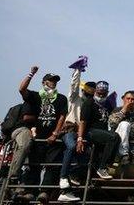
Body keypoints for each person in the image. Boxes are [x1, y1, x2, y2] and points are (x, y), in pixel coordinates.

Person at [20, 67, 68, 202]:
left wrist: (55, 133)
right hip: (38, 136)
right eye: (50, 80)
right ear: (44, 82)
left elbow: (62, 117)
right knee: (34, 164)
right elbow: (22, 89)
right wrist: (31, 74)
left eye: (55, 81)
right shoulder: (36, 96)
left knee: (51, 165)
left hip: (53, 138)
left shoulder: (61, 98)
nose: (53, 82)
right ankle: (30, 191)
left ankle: (45, 191)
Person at [58, 56, 92, 202]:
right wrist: (78, 70)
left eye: (93, 91)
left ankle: (68, 185)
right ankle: (64, 178)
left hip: (82, 133)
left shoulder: (91, 105)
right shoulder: (75, 99)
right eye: (88, 90)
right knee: (71, 147)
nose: (90, 92)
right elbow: (74, 85)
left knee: (88, 158)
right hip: (71, 130)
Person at [77, 81, 121, 180]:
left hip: (102, 132)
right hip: (90, 131)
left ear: (107, 93)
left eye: (103, 93)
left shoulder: (108, 104)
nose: (101, 95)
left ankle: (106, 165)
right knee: (113, 137)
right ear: (95, 91)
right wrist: (80, 138)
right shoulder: (89, 102)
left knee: (116, 136)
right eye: (99, 93)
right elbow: (82, 122)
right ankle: (102, 167)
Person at [109, 91, 134, 164]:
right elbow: (112, 124)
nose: (130, 101)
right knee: (125, 124)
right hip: (119, 139)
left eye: (132, 99)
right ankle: (124, 154)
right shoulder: (117, 109)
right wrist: (124, 110)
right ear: (123, 99)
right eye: (128, 99)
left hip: (133, 137)